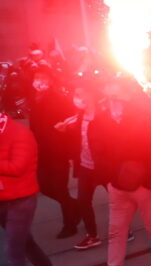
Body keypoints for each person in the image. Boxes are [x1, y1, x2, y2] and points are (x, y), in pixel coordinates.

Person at [82, 77, 151, 266]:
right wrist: (110, 180)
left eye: (116, 96)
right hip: (118, 186)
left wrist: (148, 179)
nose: (112, 100)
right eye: (109, 96)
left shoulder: (142, 116)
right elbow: (98, 153)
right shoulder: (101, 120)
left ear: (126, 94)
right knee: (116, 230)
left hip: (144, 185)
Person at [0, 101, 64, 266]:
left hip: (21, 199)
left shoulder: (19, 133)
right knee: (24, 243)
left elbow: (17, 167)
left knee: (13, 249)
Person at [27, 67, 80, 238]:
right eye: (36, 77)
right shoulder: (34, 99)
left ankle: (70, 224)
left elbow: (71, 121)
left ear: (51, 80)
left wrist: (64, 133)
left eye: (43, 77)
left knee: (60, 188)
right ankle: (76, 206)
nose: (39, 81)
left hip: (58, 150)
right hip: (41, 151)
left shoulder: (58, 98)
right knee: (44, 186)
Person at [56, 84, 106, 250]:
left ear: (91, 95)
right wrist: (64, 131)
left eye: (81, 94)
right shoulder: (77, 117)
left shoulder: (103, 116)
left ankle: (123, 229)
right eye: (75, 94)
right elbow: (73, 138)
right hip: (85, 167)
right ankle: (92, 235)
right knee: (84, 201)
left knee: (118, 201)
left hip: (104, 167)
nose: (77, 98)